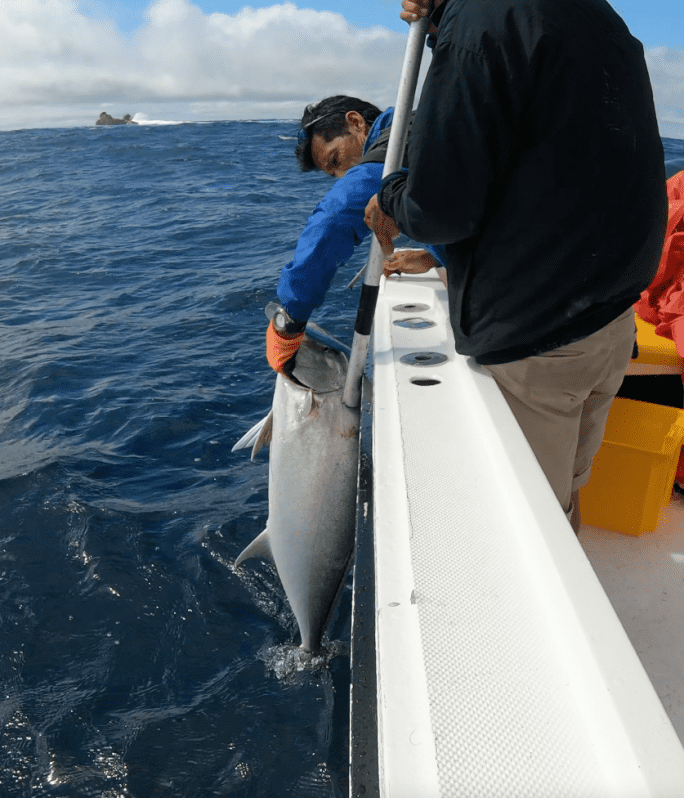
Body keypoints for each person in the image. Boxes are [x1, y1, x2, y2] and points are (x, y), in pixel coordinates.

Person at [365, 0, 668, 531]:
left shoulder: (478, 25)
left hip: (538, 335)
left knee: (531, 524)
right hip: (611, 319)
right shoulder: (597, 15)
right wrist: (442, 28)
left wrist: (390, 196)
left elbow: (441, 210)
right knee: (567, 490)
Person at [266, 95, 444, 375]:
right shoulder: (423, 128)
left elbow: (333, 221)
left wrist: (290, 321)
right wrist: (438, 254)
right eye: (333, 173)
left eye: (335, 159)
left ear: (356, 123)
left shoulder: (397, 146)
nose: (343, 176)